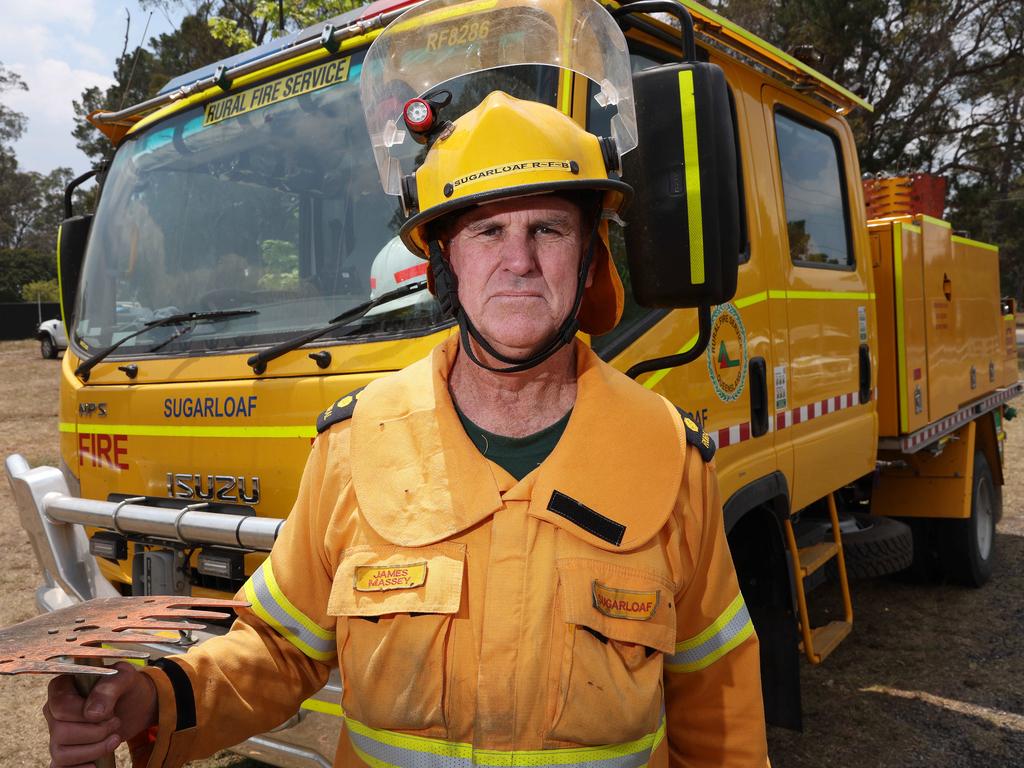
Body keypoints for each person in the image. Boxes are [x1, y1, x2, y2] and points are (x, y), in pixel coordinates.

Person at [44, 81, 767, 768]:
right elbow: (277, 647)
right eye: (487, 231)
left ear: (588, 258)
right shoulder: (356, 446)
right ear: (444, 261)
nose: (519, 261)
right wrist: (153, 697)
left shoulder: (668, 455)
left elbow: (717, 700)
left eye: (547, 228)